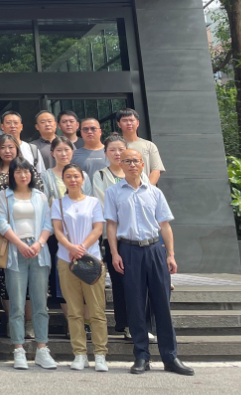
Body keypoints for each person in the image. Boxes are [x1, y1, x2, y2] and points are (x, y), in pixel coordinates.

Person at [106, 149, 193, 376]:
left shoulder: (155, 192)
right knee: (135, 304)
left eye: (136, 161)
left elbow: (164, 225)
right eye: (127, 161)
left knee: (162, 303)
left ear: (143, 164)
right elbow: (111, 225)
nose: (132, 164)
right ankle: (141, 356)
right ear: (121, 164)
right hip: (128, 250)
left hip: (154, 249)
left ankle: (170, 357)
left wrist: (170, 254)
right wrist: (114, 253)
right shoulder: (113, 192)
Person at [0, 157, 56, 370]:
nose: (23, 175)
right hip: (15, 251)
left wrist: (39, 244)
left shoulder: (40, 196)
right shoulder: (4, 195)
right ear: (12, 174)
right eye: (18, 171)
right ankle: (18, 349)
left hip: (39, 251)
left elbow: (48, 224)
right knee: (17, 304)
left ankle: (42, 349)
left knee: (40, 303)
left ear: (32, 174)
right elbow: (1, 223)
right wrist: (20, 244)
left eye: (26, 171)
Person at [51, 162, 108, 372]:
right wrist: (70, 247)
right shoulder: (58, 203)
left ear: (83, 179)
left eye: (76, 176)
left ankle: (100, 353)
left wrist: (81, 248)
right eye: (69, 177)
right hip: (66, 260)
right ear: (63, 180)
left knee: (96, 310)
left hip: (91, 260)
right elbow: (57, 230)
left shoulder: (93, 202)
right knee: (74, 311)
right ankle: (80, 353)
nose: (73, 180)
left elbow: (98, 228)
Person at [92, 133, 148, 338]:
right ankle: (126, 324)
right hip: (115, 237)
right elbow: (103, 206)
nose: (117, 153)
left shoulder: (140, 174)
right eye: (112, 150)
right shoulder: (100, 176)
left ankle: (143, 324)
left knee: (141, 283)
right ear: (105, 153)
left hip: (141, 237)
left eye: (121, 149)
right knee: (121, 282)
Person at [0, 134, 42, 316]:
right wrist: (3, 219)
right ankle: (13, 321)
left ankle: (29, 323)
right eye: (2, 147)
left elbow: (38, 197)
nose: (7, 151)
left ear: (17, 149)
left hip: (26, 230)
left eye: (10, 147)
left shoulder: (28, 170)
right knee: (3, 276)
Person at [40, 136, 92, 316]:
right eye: (59, 150)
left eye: (67, 150)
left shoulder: (83, 175)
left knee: (84, 276)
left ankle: (85, 322)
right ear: (52, 153)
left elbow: (89, 202)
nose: (63, 154)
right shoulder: (46, 176)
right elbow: (44, 205)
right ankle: (72, 321)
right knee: (61, 280)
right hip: (57, 235)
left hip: (82, 235)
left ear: (73, 152)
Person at [116, 108, 166, 185]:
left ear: (138, 123)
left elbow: (156, 170)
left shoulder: (149, 145)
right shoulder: (115, 147)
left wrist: (147, 188)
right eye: (125, 120)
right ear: (119, 124)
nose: (129, 123)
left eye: (131, 120)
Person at [1, 111, 46, 176]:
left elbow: (41, 175)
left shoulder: (32, 149)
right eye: (8, 123)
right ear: (2, 126)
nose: (12, 126)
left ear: (21, 126)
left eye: (16, 123)